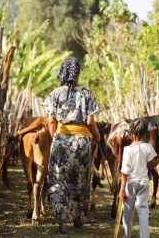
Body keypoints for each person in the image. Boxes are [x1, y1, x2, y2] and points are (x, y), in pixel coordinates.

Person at [42, 56, 101, 235]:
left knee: (59, 180)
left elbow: (51, 121)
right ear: (77, 73)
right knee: (80, 180)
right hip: (81, 142)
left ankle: (62, 223)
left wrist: (58, 138)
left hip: (60, 141)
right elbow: (90, 122)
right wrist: (97, 136)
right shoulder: (86, 93)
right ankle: (78, 217)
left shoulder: (54, 94)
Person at [118, 118, 159, 238]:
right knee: (143, 211)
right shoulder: (148, 147)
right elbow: (151, 165)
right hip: (143, 182)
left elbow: (125, 172)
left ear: (131, 133)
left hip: (130, 183)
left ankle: (125, 236)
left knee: (128, 211)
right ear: (145, 133)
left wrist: (122, 189)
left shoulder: (127, 150)